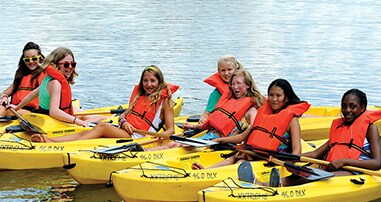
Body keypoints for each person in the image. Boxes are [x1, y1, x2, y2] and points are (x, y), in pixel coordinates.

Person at [30, 65, 178, 142]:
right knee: (85, 131)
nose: (148, 84)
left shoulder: (165, 101)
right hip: (126, 130)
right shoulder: (140, 96)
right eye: (145, 81)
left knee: (101, 127)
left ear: (159, 82)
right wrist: (124, 122)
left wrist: (157, 137)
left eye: (152, 81)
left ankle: (53, 142)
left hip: (139, 136)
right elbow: (124, 116)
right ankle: (50, 140)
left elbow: (170, 130)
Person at [192, 78, 311, 169]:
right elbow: (243, 137)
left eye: (278, 96)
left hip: (272, 160)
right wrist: (219, 140)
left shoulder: (291, 120)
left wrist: (289, 164)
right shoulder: (263, 114)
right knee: (234, 158)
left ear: (287, 98)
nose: (274, 99)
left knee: (241, 162)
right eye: (271, 95)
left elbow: (296, 150)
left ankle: (214, 173)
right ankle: (206, 171)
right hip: (254, 154)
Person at [147, 69, 264, 151]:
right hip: (211, 136)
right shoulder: (230, 102)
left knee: (177, 145)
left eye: (239, 83)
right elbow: (212, 124)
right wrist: (193, 126)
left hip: (222, 142)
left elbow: (252, 133)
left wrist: (223, 140)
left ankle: (145, 153)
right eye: (233, 84)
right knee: (174, 144)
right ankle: (143, 152)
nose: (235, 87)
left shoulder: (251, 110)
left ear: (248, 85)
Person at [10, 47, 104, 127]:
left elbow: (33, 94)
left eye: (73, 64)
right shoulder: (55, 83)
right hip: (52, 119)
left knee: (85, 114)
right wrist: (78, 122)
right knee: (101, 119)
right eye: (66, 64)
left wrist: (17, 107)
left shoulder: (48, 79)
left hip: (42, 114)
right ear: (55, 65)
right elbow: (54, 111)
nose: (70, 67)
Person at [0, 42, 46, 116]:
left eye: (34, 58)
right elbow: (5, 93)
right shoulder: (21, 76)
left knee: (2, 110)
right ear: (23, 60)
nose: (31, 62)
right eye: (27, 60)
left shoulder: (46, 75)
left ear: (40, 58)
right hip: (16, 109)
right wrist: (4, 97)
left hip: (34, 112)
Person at [199, 55, 244, 124]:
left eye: (229, 69)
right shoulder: (216, 94)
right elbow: (206, 113)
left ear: (236, 69)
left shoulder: (246, 86)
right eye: (223, 70)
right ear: (218, 72)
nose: (226, 73)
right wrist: (203, 119)